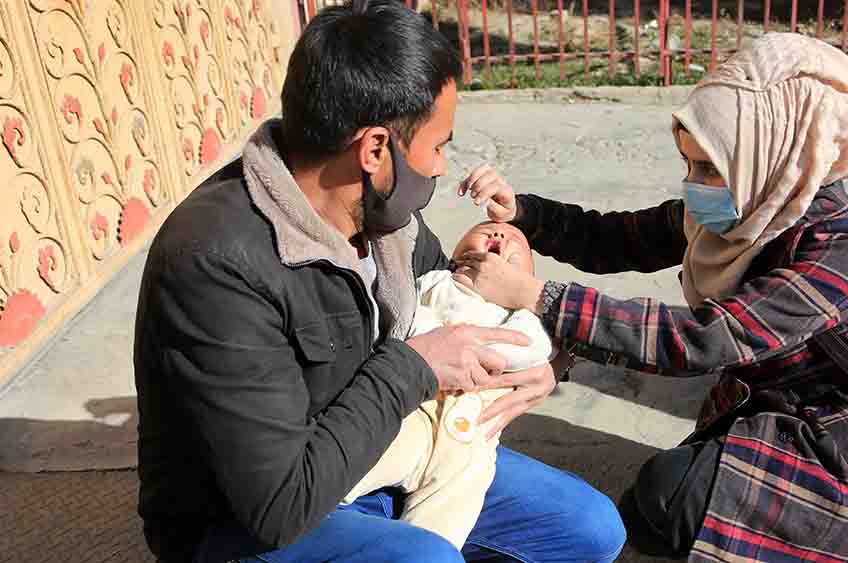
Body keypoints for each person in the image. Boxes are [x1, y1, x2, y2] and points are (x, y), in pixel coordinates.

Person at [132, 3, 625, 563]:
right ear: (374, 150)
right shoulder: (215, 263)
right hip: (252, 520)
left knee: (589, 529)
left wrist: (546, 365)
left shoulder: (385, 218)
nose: (441, 167)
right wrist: (413, 368)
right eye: (437, 146)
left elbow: (463, 304)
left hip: (392, 448)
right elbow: (276, 505)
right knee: (425, 559)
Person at [454, 33, 848, 562]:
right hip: (785, 411)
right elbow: (619, 238)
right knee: (671, 497)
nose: (694, 185)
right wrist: (526, 213)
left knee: (671, 499)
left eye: (709, 168)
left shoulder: (841, 250)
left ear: (772, 151)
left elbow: (705, 337)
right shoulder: (748, 204)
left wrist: (538, 297)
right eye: (689, 164)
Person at [343, 221, 555, 550]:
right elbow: (403, 316)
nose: (499, 236)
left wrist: (472, 346)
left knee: (441, 532)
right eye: (485, 230)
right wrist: (440, 335)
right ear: (456, 256)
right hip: (416, 413)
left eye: (515, 243)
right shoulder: (436, 281)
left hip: (472, 442)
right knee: (353, 462)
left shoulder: (524, 315)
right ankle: (308, 509)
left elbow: (530, 349)